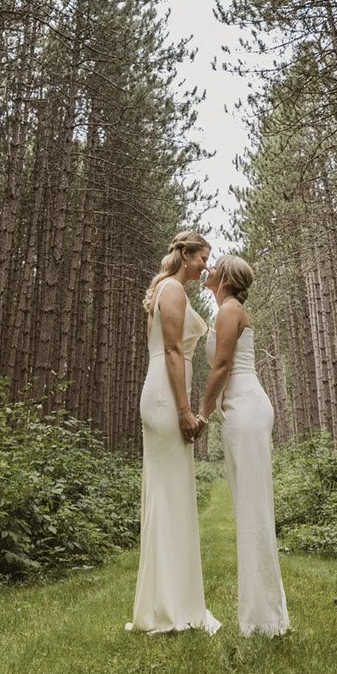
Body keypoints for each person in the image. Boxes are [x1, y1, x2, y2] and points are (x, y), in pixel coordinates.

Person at [127, 230, 221, 634]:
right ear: (186, 254)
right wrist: (185, 410)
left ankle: (166, 603)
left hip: (164, 390)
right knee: (167, 493)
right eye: (203, 257)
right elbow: (171, 350)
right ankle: (168, 608)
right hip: (166, 397)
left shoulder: (168, 288)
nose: (206, 266)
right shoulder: (173, 290)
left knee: (170, 492)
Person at [199, 254, 289, 637]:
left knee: (253, 512)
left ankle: (264, 620)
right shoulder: (225, 310)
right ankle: (262, 615)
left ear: (226, 278)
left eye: (214, 265)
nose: (208, 269)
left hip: (247, 411)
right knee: (247, 510)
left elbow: (221, 366)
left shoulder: (230, 311)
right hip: (240, 411)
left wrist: (202, 413)